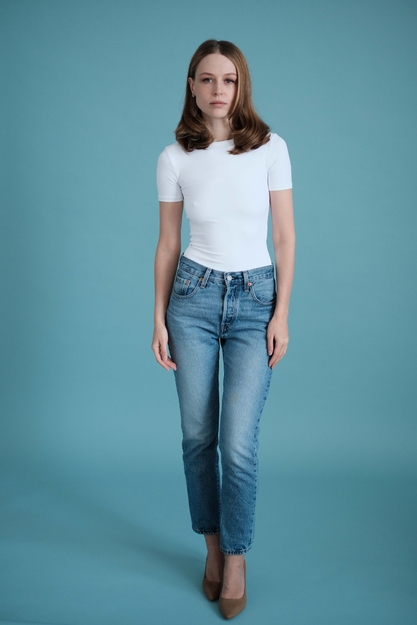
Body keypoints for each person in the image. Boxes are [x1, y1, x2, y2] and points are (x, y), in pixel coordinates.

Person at [152, 39, 295, 619]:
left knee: (237, 443)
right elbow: (168, 242)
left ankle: (236, 558)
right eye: (207, 79)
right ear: (192, 86)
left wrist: (282, 313)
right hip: (191, 298)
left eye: (229, 80)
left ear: (242, 87)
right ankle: (211, 549)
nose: (218, 90)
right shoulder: (174, 157)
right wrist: (157, 316)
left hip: (255, 300)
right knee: (197, 437)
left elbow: (283, 237)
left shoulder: (270, 148)